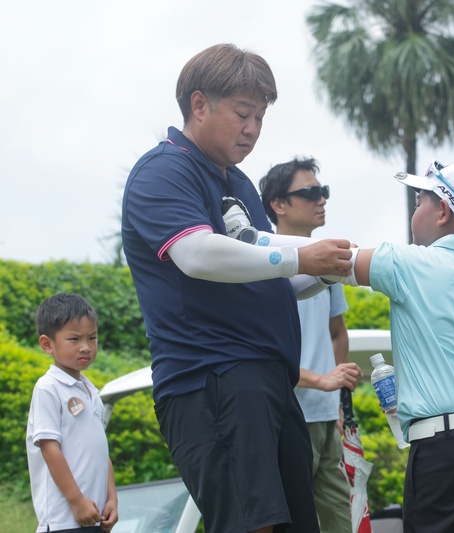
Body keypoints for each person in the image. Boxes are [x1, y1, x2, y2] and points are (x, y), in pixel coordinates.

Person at [121, 43, 353, 533]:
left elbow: (268, 274)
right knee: (251, 524)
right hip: (212, 378)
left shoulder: (239, 184)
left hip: (269, 381)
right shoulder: (164, 170)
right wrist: (299, 256)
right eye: (243, 114)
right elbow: (197, 254)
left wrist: (329, 269)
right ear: (199, 105)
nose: (252, 129)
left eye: (260, 118)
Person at [336, 160, 454, 532]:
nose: (415, 210)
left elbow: (335, 260)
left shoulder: (409, 263)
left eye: (419, 201)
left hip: (445, 445)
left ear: (442, 211)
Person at [259, 157, 362, 532]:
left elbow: (337, 332)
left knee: (341, 523)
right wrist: (320, 380)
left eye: (324, 191)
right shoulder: (261, 265)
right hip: (287, 416)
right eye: (310, 193)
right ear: (278, 204)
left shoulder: (329, 264)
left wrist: (338, 396)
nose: (322, 200)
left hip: (326, 416)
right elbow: (264, 351)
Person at [26, 293, 118, 532]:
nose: (86, 347)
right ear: (47, 344)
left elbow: (101, 451)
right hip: (64, 520)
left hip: (95, 516)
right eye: (74, 339)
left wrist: (111, 498)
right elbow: (49, 448)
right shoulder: (48, 387)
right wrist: (76, 501)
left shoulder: (91, 392)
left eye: (92, 337)